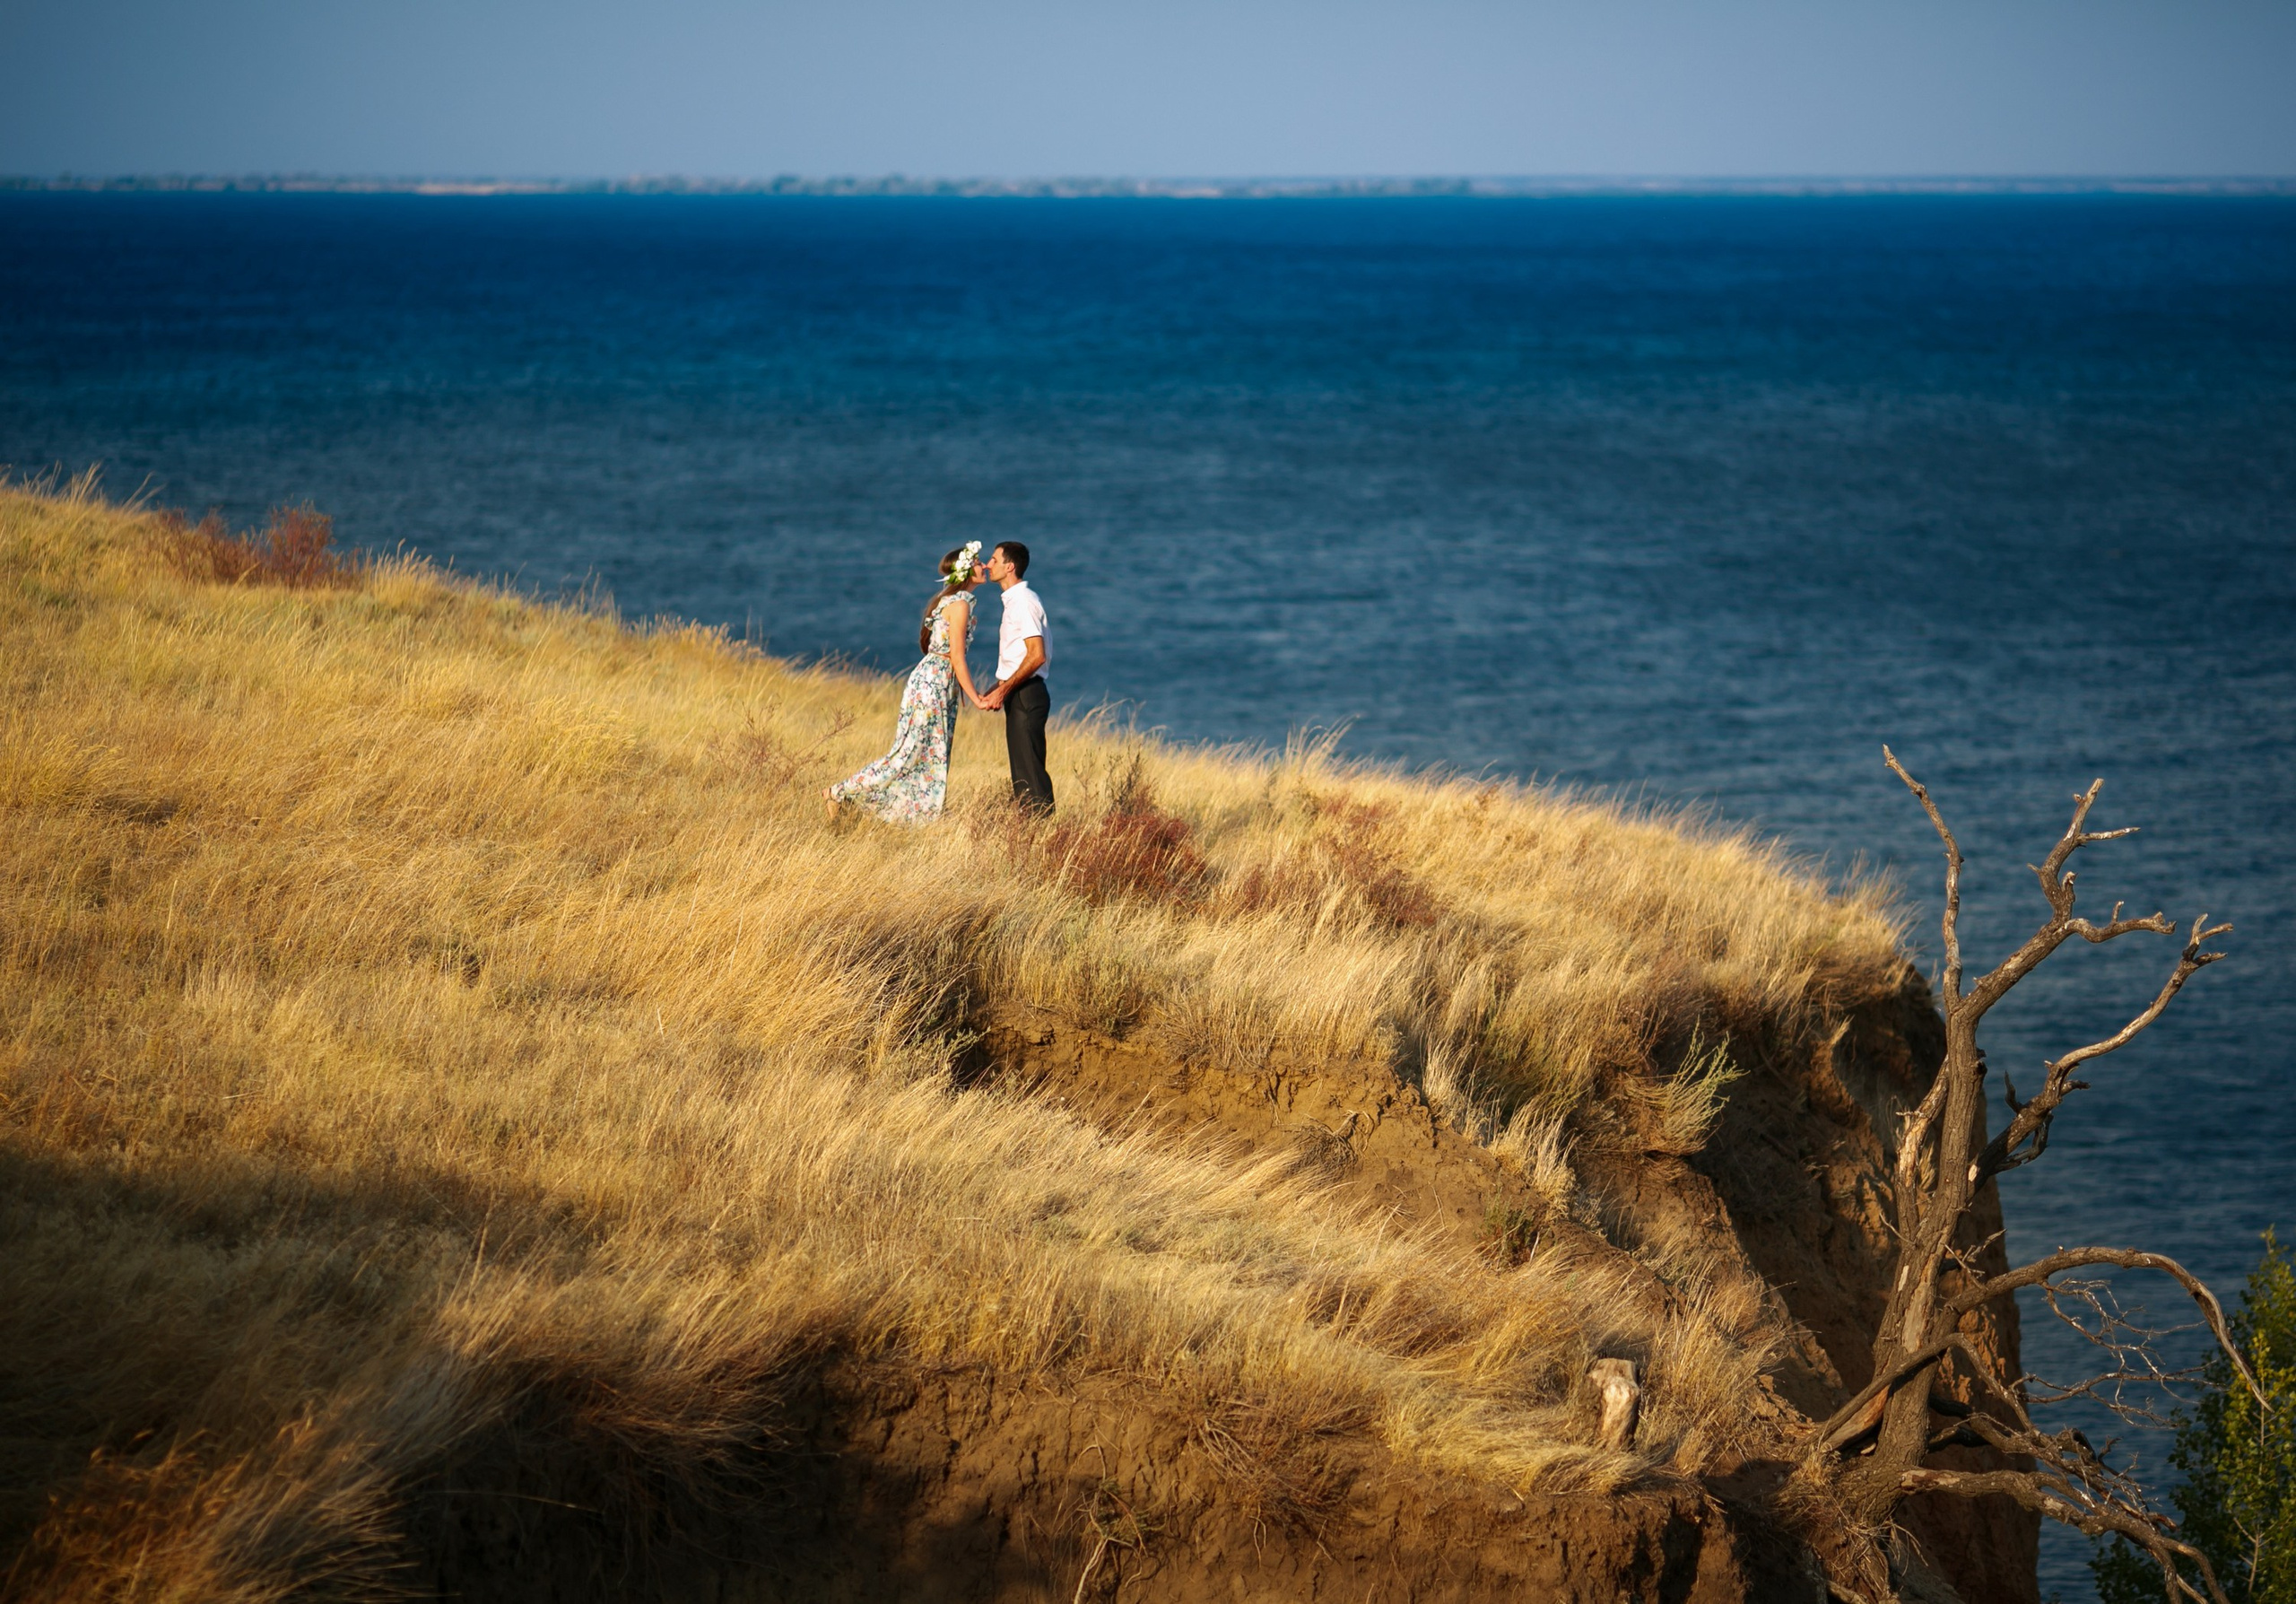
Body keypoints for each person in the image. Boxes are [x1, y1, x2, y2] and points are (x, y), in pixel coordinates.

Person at [825, 542, 987, 823]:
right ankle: (838, 792)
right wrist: (976, 698)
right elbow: (958, 658)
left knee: (929, 754)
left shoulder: (954, 602)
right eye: (978, 563)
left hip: (936, 682)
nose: (984, 566)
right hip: (934, 683)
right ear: (965, 572)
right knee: (908, 753)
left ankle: (918, 816)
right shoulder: (959, 605)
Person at [978, 541, 1054, 814]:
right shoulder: (1015, 601)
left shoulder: (1023, 602)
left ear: (1009, 567)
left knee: (1030, 776)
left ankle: (1043, 831)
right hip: (1020, 691)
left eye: (994, 560)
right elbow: (1018, 656)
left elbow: (1037, 656)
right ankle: (1032, 830)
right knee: (1023, 775)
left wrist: (1004, 689)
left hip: (1027, 693)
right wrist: (998, 687)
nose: (988, 565)